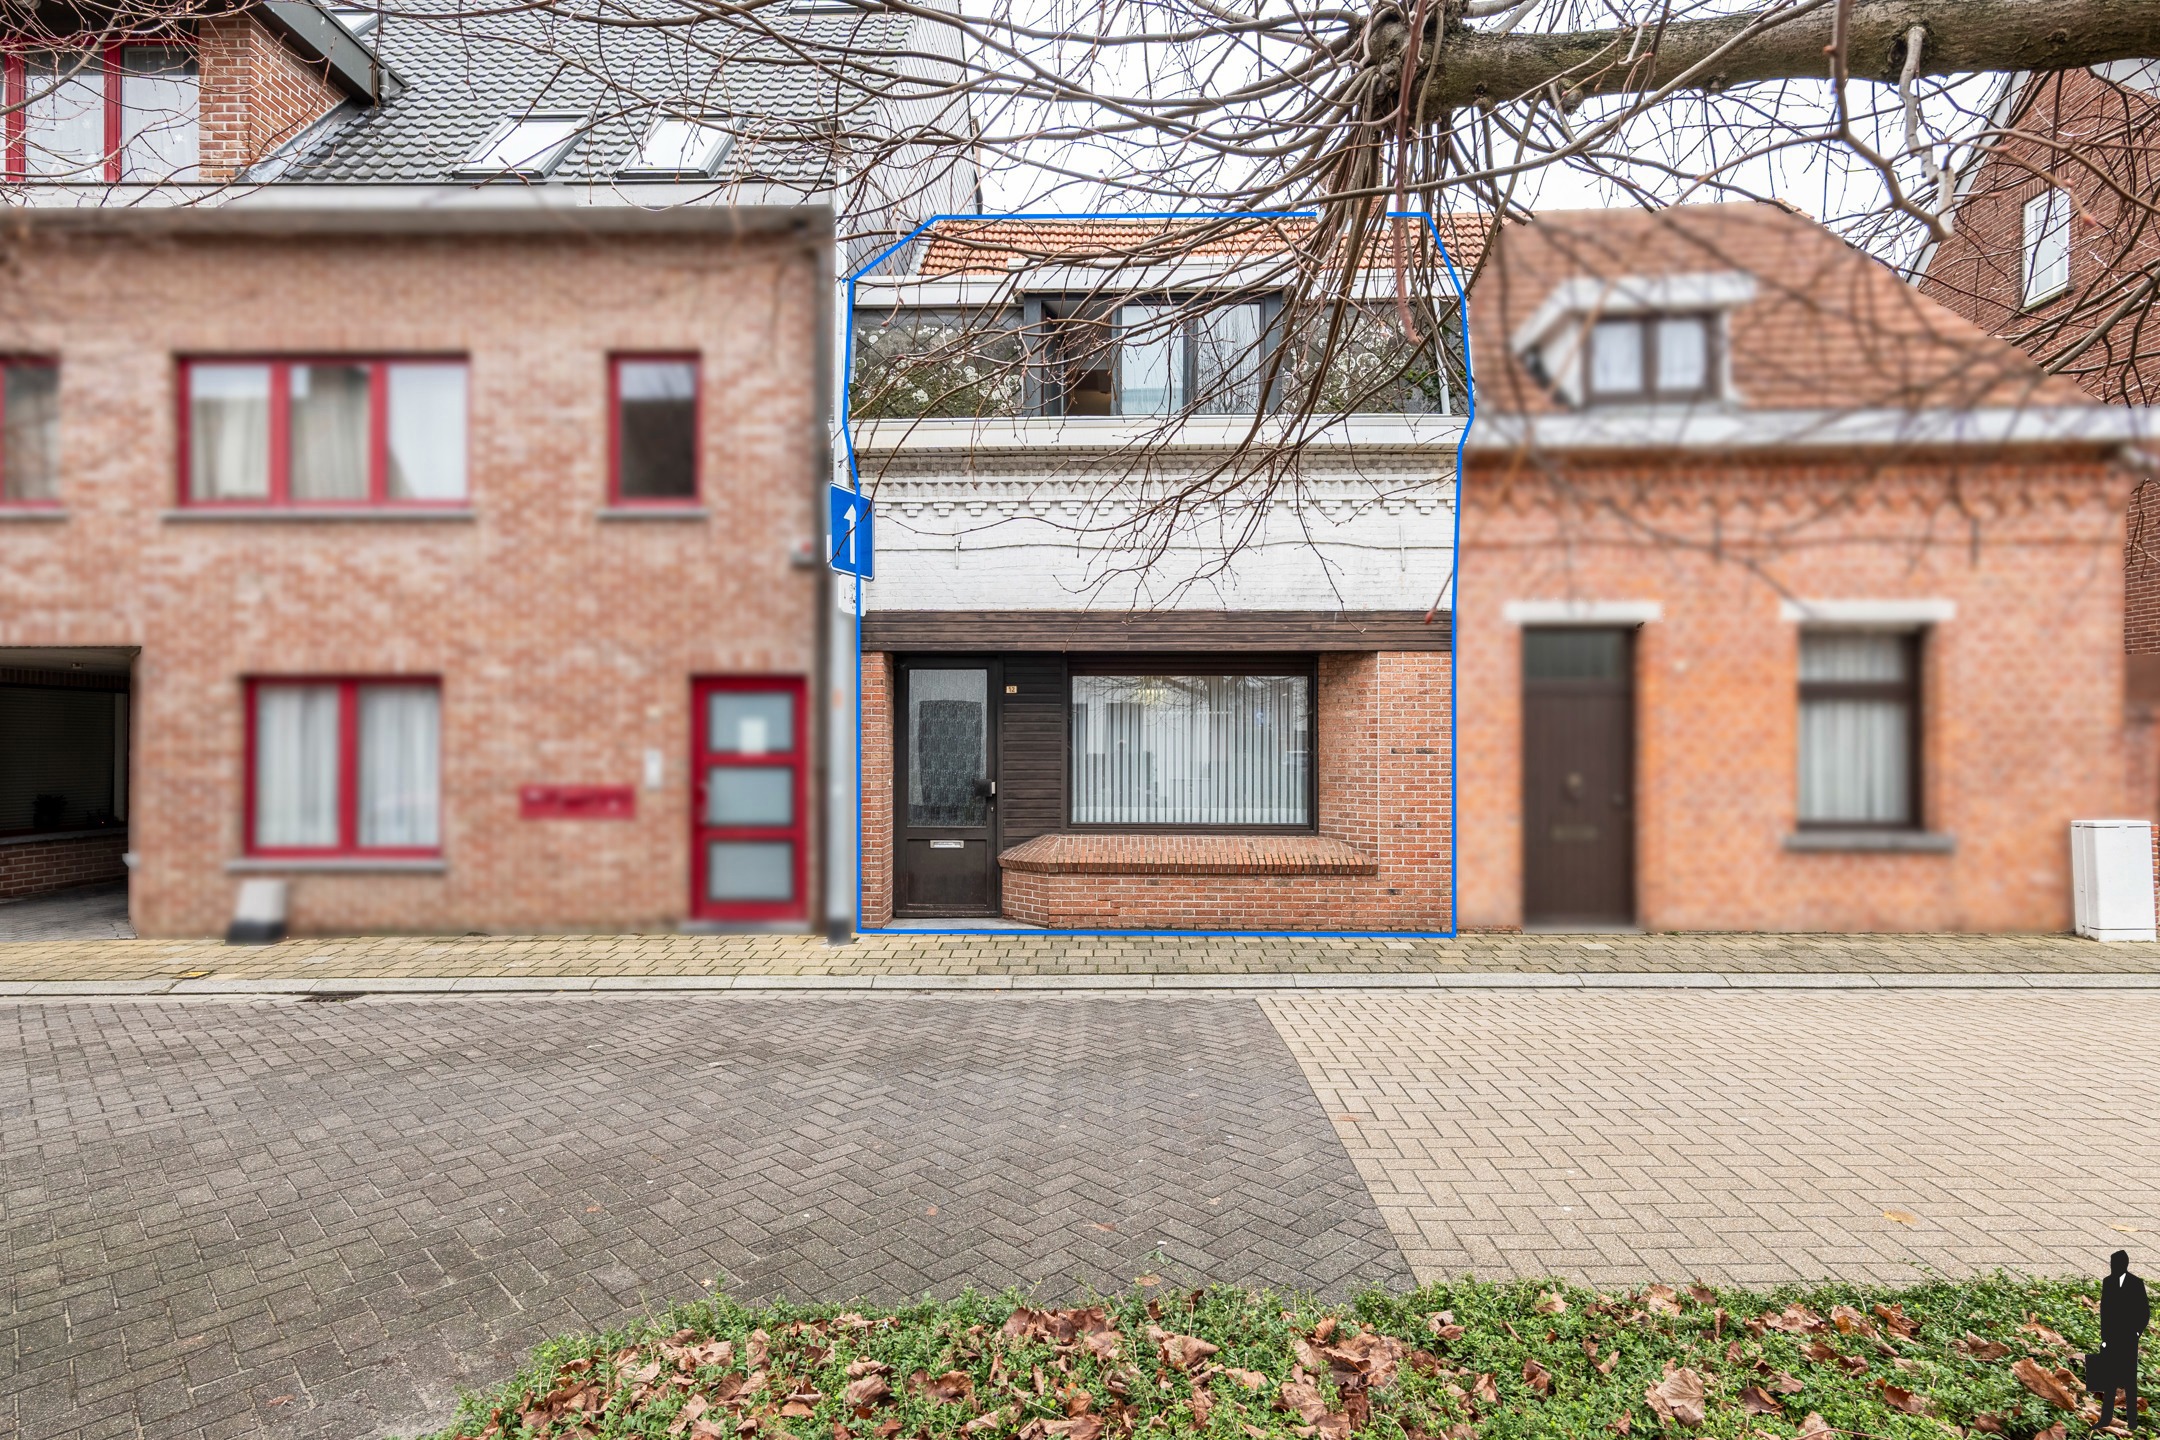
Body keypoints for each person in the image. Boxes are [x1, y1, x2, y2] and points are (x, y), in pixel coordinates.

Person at [2099, 1250, 2150, 1431]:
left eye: (2117, 1264)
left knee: (2129, 1380)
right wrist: (2105, 1338)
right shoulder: (2108, 1282)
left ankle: (2132, 1420)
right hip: (2112, 1337)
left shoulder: (2136, 1283)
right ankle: (2106, 1417)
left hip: (2128, 1338)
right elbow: (2105, 1312)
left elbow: (2144, 1312)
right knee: (2110, 1379)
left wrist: (2136, 1332)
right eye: (2112, 1263)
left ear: (2125, 1264)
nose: (2114, 1267)